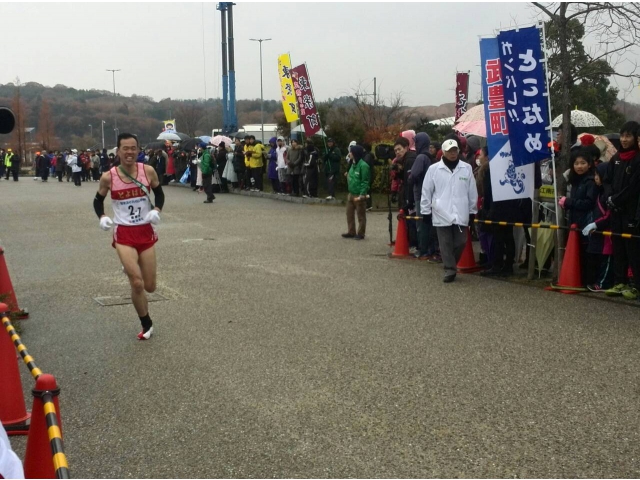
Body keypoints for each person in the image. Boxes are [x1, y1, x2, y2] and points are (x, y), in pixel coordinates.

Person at [94, 133, 165, 340]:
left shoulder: (148, 171)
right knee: (137, 283)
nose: (129, 152)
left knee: (150, 287)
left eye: (133, 148)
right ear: (118, 151)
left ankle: (131, 265)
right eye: (125, 148)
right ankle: (146, 323)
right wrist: (102, 216)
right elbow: (98, 200)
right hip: (124, 233)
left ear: (138, 149)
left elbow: (159, 194)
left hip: (145, 232)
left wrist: (157, 210)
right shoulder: (109, 176)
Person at [420, 139, 478, 283]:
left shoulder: (466, 168)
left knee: (461, 242)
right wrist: (425, 211)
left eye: (455, 150)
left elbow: (472, 191)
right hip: (441, 211)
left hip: (461, 211)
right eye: (450, 151)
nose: (453, 154)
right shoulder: (434, 169)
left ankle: (450, 262)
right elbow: (426, 191)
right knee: (445, 243)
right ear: (443, 152)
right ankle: (450, 269)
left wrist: (472, 211)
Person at [604, 121, 640, 299]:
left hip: (632, 212)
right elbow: (607, 180)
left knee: (633, 249)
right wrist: (610, 197)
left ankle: (636, 286)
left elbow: (634, 187)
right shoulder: (616, 158)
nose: (624, 140)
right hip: (615, 211)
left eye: (628, 136)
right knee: (618, 246)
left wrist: (616, 199)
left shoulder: (638, 159)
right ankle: (620, 282)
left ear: (636, 138)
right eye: (622, 135)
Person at [582, 162, 614, 292]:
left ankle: (603, 283)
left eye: (598, 175)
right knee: (596, 257)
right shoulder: (599, 192)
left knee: (606, 259)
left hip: (606, 231)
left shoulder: (609, 193)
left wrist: (596, 224)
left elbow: (609, 215)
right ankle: (595, 281)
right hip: (597, 231)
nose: (595, 177)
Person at [408, 132, 433, 259]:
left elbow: (413, 175)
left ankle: (423, 249)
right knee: (428, 223)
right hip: (429, 194)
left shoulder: (420, 158)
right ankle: (429, 248)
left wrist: (409, 176)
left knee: (421, 223)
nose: (415, 145)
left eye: (416, 142)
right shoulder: (430, 156)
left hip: (420, 194)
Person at [342, 145, 370, 240]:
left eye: (351, 152)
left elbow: (365, 181)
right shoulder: (352, 164)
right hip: (351, 193)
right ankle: (351, 231)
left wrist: (362, 194)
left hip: (359, 194)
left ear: (355, 154)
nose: (349, 154)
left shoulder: (364, 166)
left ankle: (361, 233)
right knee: (349, 214)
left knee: (361, 215)